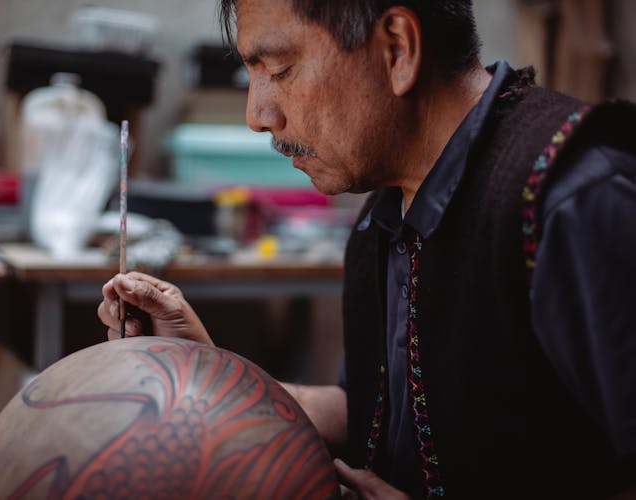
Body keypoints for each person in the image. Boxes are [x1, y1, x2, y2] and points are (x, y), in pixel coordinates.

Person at [99, 1, 636, 498]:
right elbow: (372, 417)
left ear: (397, 49)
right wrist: (203, 376)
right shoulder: (383, 218)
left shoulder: (571, 201)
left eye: (280, 69)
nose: (258, 115)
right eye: (251, 74)